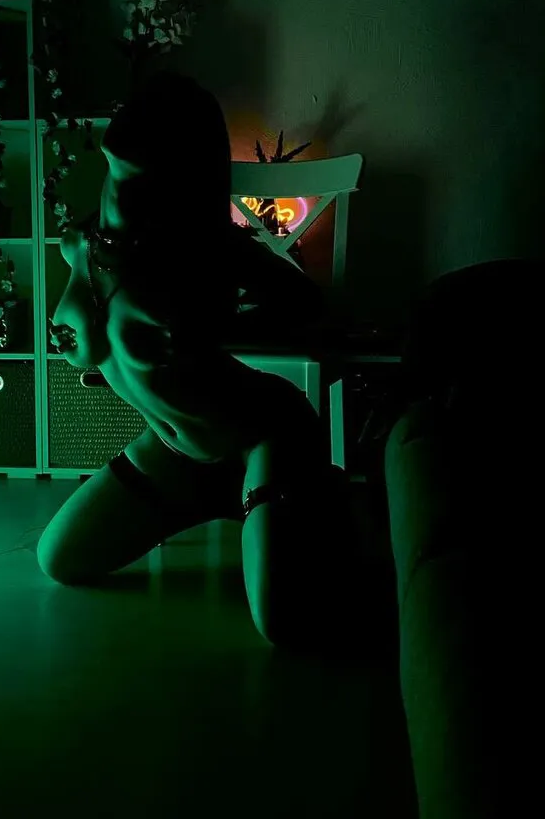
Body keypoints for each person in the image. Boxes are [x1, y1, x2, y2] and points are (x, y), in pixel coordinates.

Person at [37, 71, 356, 646]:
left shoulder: (202, 249)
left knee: (279, 623)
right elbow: (102, 335)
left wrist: (220, 328)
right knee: (58, 559)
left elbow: (306, 303)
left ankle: (310, 493)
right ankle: (232, 502)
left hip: (258, 435)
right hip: (175, 454)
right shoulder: (77, 246)